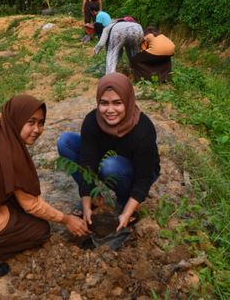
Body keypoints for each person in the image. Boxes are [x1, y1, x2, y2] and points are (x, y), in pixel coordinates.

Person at [0, 95, 90, 278]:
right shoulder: (11, 154)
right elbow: (31, 205)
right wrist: (66, 219)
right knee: (39, 230)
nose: (37, 130)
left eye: (41, 123)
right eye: (31, 122)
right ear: (16, 119)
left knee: (20, 210)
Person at [57, 73, 160, 232]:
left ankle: (126, 202)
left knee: (110, 166)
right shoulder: (92, 121)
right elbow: (87, 164)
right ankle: (94, 197)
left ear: (128, 101)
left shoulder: (143, 129)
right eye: (104, 103)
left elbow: (144, 178)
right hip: (107, 163)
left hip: (137, 171)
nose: (110, 110)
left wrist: (126, 213)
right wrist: (86, 202)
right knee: (65, 142)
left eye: (117, 103)